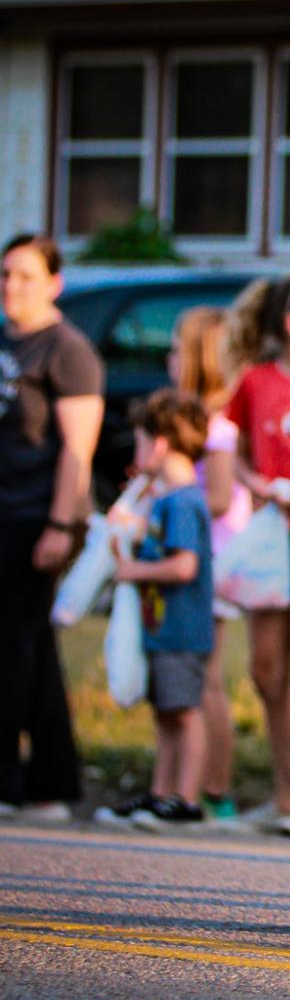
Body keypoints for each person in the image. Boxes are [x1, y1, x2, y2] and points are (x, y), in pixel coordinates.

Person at [0, 233, 103, 822]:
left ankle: (21, 781)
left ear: (54, 284)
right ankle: (49, 785)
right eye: (6, 275)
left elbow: (77, 450)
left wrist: (61, 524)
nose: (12, 287)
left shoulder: (66, 350)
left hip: (35, 515)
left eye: (26, 276)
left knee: (17, 645)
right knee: (30, 648)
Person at [225, 272, 290, 838]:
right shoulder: (256, 382)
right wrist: (256, 483)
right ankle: (286, 796)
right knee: (266, 670)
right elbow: (234, 449)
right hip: (272, 535)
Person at [107, 390, 214, 831]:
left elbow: (184, 565)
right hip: (164, 627)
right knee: (166, 711)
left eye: (139, 442)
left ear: (161, 443)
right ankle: (160, 792)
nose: (138, 452)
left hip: (181, 628)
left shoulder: (182, 502)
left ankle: (186, 798)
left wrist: (132, 569)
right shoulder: (166, 499)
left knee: (184, 712)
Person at [170, 305, 251, 820]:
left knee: (208, 678)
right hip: (206, 556)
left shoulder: (217, 427)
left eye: (177, 348)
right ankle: (194, 785)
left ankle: (214, 790)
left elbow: (219, 499)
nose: (168, 357)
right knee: (201, 675)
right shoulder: (201, 418)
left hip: (216, 559)